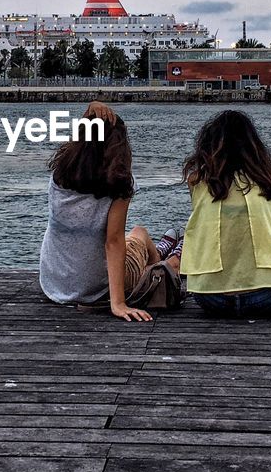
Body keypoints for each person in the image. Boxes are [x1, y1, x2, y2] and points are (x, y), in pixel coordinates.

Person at [38, 101, 181, 322]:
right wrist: (118, 303)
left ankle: (157, 254)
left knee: (133, 238)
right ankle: (169, 263)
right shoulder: (120, 185)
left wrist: (91, 111)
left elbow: (78, 140)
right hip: (97, 288)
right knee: (138, 234)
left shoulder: (60, 174)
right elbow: (113, 241)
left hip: (54, 284)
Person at [180, 109, 271, 318]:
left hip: (210, 298)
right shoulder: (267, 180)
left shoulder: (196, 181)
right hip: (265, 300)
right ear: (254, 147)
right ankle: (267, 283)